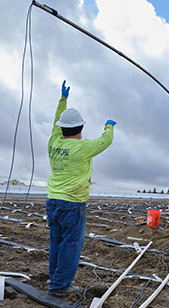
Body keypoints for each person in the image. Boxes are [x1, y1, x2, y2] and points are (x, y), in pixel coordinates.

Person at [46, 81, 115, 296]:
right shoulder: (82, 148)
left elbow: (56, 125)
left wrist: (63, 100)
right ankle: (60, 286)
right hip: (72, 204)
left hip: (52, 202)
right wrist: (109, 125)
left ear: (62, 128)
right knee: (71, 245)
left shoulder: (53, 142)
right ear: (81, 128)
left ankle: (55, 280)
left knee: (57, 242)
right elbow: (106, 141)